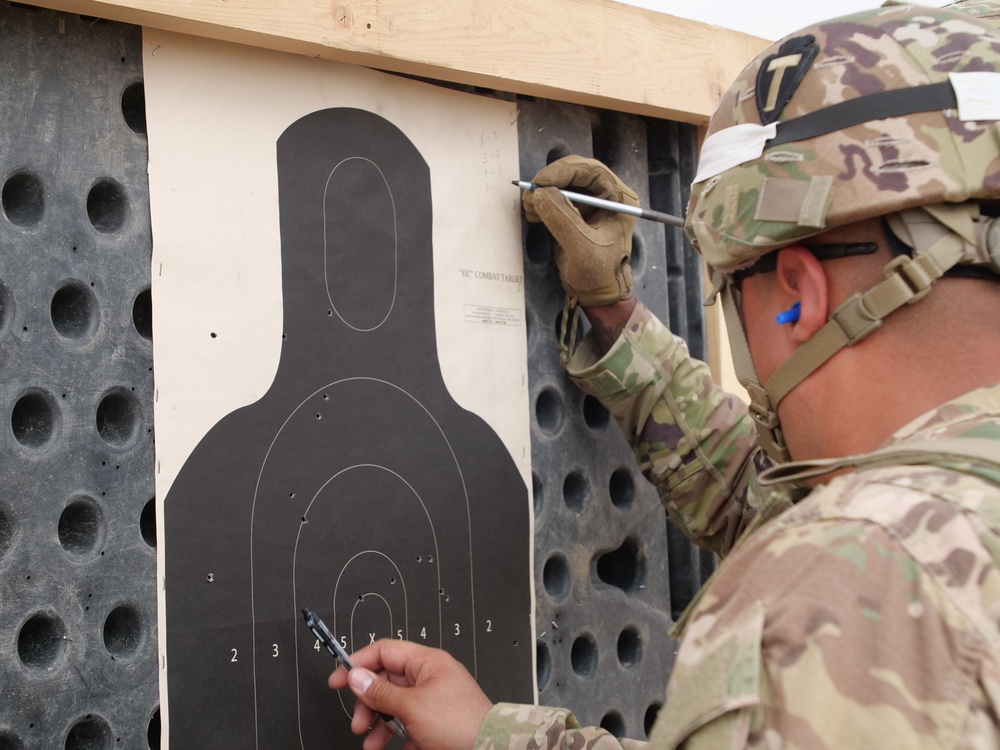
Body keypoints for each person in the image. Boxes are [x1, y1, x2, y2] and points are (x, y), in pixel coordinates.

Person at [328, 4, 1000, 748]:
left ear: (799, 298)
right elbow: (767, 498)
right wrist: (612, 310)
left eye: (732, 294)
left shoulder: (843, 591)